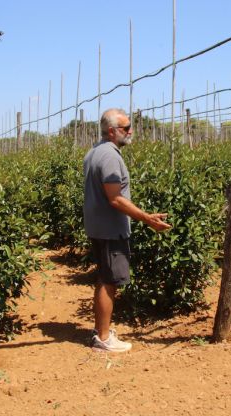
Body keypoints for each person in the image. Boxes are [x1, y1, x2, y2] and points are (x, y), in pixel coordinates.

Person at [83, 108, 171, 353]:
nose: (131, 131)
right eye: (126, 128)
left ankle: (101, 330)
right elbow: (115, 199)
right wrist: (147, 218)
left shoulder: (94, 152)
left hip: (98, 226)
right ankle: (103, 338)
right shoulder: (110, 156)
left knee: (104, 279)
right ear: (112, 131)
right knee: (109, 282)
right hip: (110, 229)